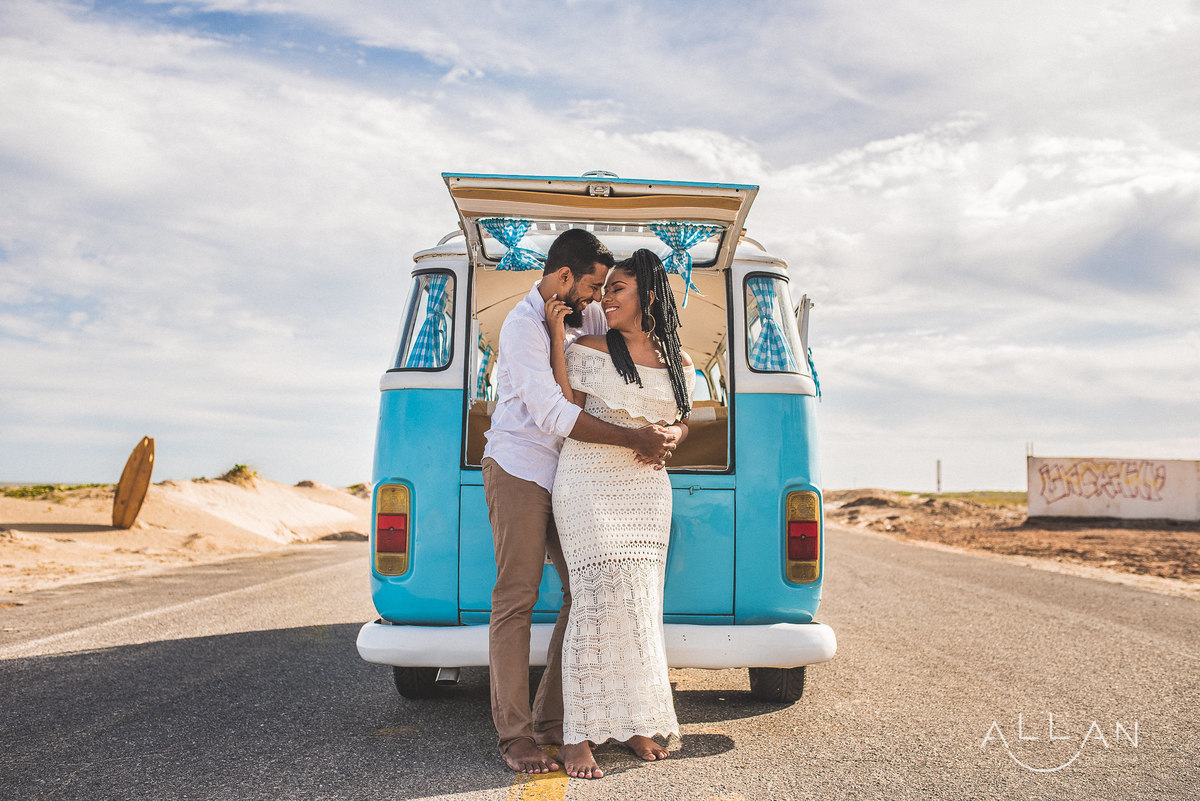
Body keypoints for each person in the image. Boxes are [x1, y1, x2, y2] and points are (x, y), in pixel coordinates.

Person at [482, 230, 679, 774]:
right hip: (522, 466)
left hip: (576, 478)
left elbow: (613, 369)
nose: (599, 300)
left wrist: (661, 430)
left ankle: (553, 721)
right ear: (565, 278)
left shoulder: (588, 317)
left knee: (584, 593)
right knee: (516, 597)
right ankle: (515, 738)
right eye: (594, 286)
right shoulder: (521, 327)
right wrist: (635, 439)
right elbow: (554, 414)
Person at [545, 248, 694, 779]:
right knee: (594, 601)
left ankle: (633, 723)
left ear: (648, 297)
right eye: (605, 288)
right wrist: (555, 336)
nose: (605, 298)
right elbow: (567, 403)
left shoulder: (681, 362)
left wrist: (669, 438)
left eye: (617, 289)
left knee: (638, 604)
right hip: (588, 480)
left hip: (647, 490)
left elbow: (682, 418)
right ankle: (577, 736)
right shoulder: (587, 346)